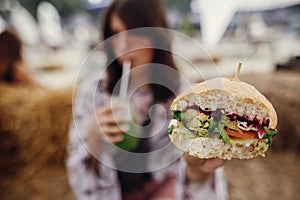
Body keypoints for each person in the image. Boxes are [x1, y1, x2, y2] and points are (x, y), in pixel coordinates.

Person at [66, 0, 227, 199]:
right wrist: (93, 138)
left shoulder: (187, 97)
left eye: (134, 31)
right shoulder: (94, 92)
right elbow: (79, 173)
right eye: (116, 34)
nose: (123, 46)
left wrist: (197, 173)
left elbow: (202, 179)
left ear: (157, 35)